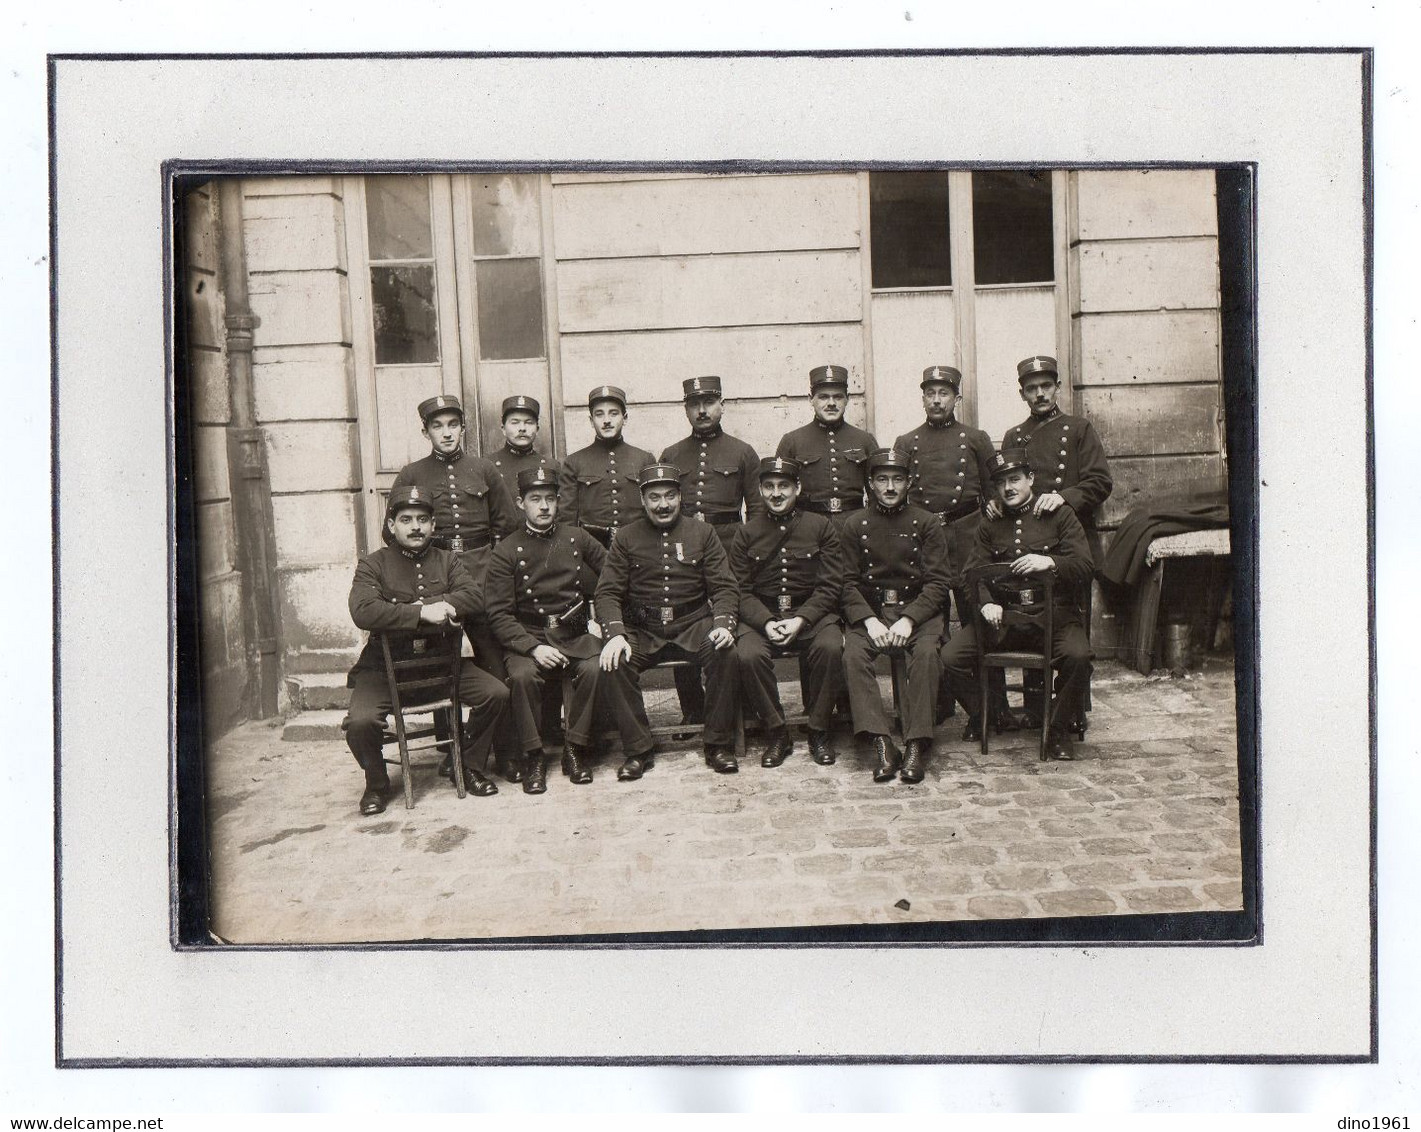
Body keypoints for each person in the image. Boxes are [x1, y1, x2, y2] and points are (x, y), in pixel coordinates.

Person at [342, 486, 510, 815]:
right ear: (391, 525)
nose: (415, 527)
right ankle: (376, 783)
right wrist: (419, 613)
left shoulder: (447, 561)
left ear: (433, 525)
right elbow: (362, 610)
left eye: (423, 520)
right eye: (406, 520)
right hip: (384, 669)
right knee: (360, 722)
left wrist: (433, 603)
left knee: (497, 693)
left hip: (441, 665)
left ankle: (468, 764)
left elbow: (474, 598)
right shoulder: (373, 565)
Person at [388, 393, 524, 782]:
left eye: (452, 425)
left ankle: (507, 754)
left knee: (495, 668)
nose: (446, 433)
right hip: (435, 580)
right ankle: (452, 753)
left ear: (463, 428)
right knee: (440, 664)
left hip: (482, 577)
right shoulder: (411, 474)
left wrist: (496, 570)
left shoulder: (483, 470)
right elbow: (392, 530)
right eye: (437, 426)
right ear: (426, 431)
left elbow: (507, 525)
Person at [939, 448, 1094, 761]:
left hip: (1052, 616)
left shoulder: (1059, 515)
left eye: (1015, 479)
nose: (1008, 488)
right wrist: (984, 604)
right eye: (1001, 483)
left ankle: (1058, 728)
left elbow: (1085, 566)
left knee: (1079, 657)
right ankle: (991, 712)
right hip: (1003, 619)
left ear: (1031, 479)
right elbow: (970, 574)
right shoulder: (989, 524)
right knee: (948, 658)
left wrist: (1049, 560)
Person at [593, 462, 742, 779]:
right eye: (655, 497)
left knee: (726, 651)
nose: (663, 504)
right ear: (643, 500)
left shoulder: (703, 532)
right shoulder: (626, 538)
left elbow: (725, 586)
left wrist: (723, 624)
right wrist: (616, 634)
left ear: (680, 497)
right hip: (644, 631)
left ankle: (717, 744)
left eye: (670, 496)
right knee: (615, 661)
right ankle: (638, 750)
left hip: (694, 625)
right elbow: (607, 593)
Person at [996, 356, 1113, 729]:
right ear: (1022, 393)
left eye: (1046, 386)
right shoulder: (1015, 436)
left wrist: (1065, 496)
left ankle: (1071, 713)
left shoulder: (1079, 429)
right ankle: (1034, 708)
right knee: (1033, 624)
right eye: (1032, 388)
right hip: (1029, 544)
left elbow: (1100, 482)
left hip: (1069, 542)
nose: (1040, 393)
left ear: (1057, 387)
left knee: (1071, 632)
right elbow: (1009, 482)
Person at [484, 467, 608, 793]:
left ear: (558, 503)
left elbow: (612, 574)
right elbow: (498, 613)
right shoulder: (507, 550)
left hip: (574, 632)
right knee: (524, 677)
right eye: (535, 499)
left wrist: (598, 611)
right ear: (520, 502)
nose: (543, 507)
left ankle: (575, 748)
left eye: (550, 499)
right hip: (531, 637)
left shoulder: (576, 538)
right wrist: (532, 647)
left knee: (595, 668)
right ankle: (534, 755)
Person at [840, 448, 951, 784]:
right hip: (872, 612)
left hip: (918, 611)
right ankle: (882, 742)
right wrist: (869, 620)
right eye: (882, 479)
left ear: (909, 482)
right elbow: (844, 582)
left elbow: (938, 582)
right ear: (871, 484)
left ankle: (917, 742)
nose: (890, 487)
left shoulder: (928, 522)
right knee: (853, 655)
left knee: (926, 653)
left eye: (897, 479)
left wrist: (910, 619)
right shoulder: (854, 524)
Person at [730, 457, 847, 767]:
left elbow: (831, 584)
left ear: (798, 488)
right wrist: (766, 623)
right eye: (768, 487)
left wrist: (802, 619)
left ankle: (819, 730)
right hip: (762, 617)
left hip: (811, 614)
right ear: (759, 490)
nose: (776, 493)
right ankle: (777, 731)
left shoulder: (820, 527)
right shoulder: (746, 533)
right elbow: (740, 590)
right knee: (747, 654)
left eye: (783, 486)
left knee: (832, 646)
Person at [660, 374, 762, 726]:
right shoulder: (672, 454)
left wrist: (749, 551)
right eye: (694, 404)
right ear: (686, 409)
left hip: (731, 543)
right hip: (685, 548)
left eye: (708, 403)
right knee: (684, 617)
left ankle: (743, 705)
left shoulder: (743, 452)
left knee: (732, 617)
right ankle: (692, 709)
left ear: (722, 405)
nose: (701, 410)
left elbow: (758, 511)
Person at [775, 364, 879, 522]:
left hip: (853, 526)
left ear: (847, 399)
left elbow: (876, 491)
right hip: (808, 526)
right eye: (823, 397)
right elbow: (779, 491)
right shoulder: (792, 441)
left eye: (838, 397)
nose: (831, 403)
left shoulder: (864, 440)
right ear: (811, 399)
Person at [559, 385, 656, 548]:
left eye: (614, 413)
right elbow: (566, 518)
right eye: (599, 414)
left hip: (638, 546)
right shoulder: (574, 462)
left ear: (625, 418)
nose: (606, 420)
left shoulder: (644, 460)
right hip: (592, 549)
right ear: (591, 421)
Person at [486, 394, 561, 503]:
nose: (522, 428)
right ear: (503, 429)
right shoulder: (488, 465)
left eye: (529, 422)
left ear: (537, 428)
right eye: (515, 422)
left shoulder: (552, 466)